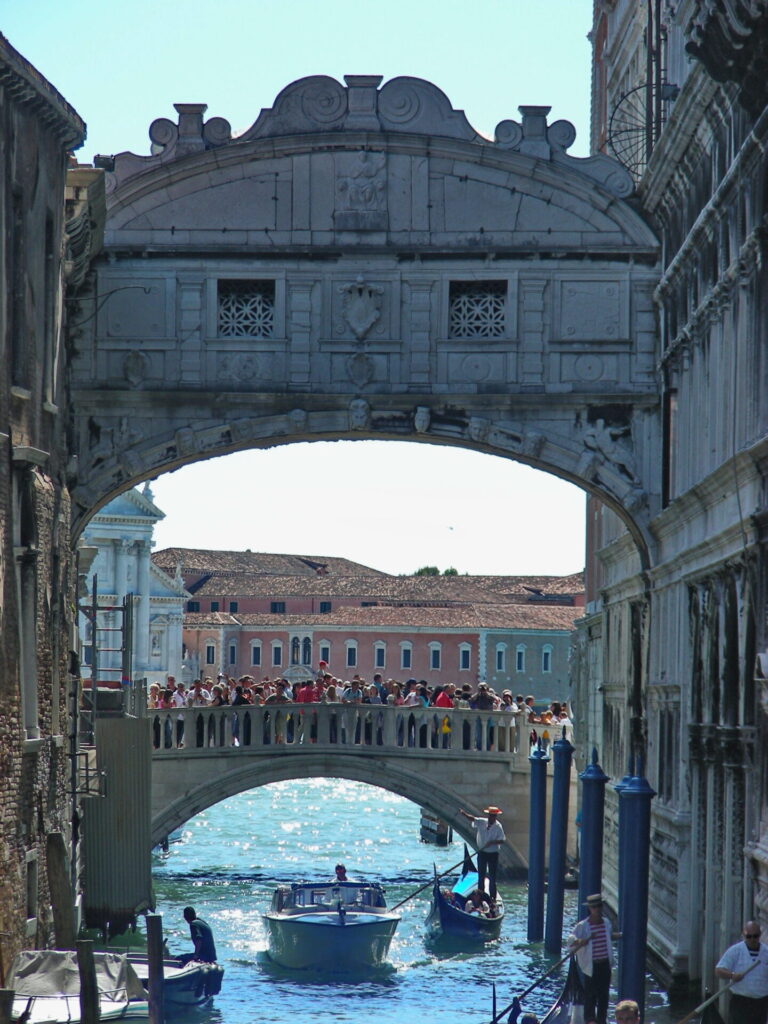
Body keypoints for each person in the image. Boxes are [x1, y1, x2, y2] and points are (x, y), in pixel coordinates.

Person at [567, 893, 620, 1024]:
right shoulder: (583, 926)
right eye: (594, 907)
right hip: (591, 966)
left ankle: (601, 1021)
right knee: (590, 995)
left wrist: (623, 935)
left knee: (603, 996)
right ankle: (590, 1021)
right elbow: (570, 941)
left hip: (605, 964)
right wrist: (581, 940)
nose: (597, 909)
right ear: (590, 908)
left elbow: (609, 937)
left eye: (599, 906)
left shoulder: (606, 923)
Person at [715, 920, 768, 1023]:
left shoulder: (766, 952)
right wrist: (732, 975)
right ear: (744, 935)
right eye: (749, 936)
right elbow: (718, 970)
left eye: (755, 936)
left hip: (762, 1002)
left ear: (760, 935)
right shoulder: (735, 951)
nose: (752, 939)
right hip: (741, 1001)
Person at [458, 805, 505, 901]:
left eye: (494, 816)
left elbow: (502, 840)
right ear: (488, 815)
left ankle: (492, 898)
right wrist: (464, 814)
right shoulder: (482, 822)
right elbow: (472, 819)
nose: (492, 817)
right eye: (490, 815)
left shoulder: (498, 827)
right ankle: (480, 896)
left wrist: (492, 842)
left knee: (492, 877)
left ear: (496, 816)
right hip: (482, 852)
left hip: (493, 854)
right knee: (481, 876)